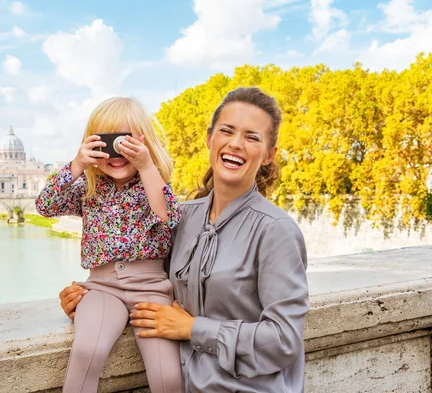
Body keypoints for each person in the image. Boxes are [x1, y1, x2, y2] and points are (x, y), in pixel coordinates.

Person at [59, 87, 310, 392]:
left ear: (269, 154)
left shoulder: (276, 230)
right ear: (209, 138)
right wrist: (89, 299)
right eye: (227, 131)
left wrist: (192, 328)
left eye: (252, 137)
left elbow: (284, 341)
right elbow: (140, 284)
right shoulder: (180, 219)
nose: (235, 143)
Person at [36, 97, 184, 393]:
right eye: (106, 143)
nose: (116, 153)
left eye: (125, 143)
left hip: (151, 289)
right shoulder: (88, 188)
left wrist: (147, 166)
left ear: (144, 143)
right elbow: (45, 205)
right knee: (86, 352)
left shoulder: (152, 183)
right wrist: (77, 164)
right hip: (102, 289)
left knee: (167, 374)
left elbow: (168, 216)